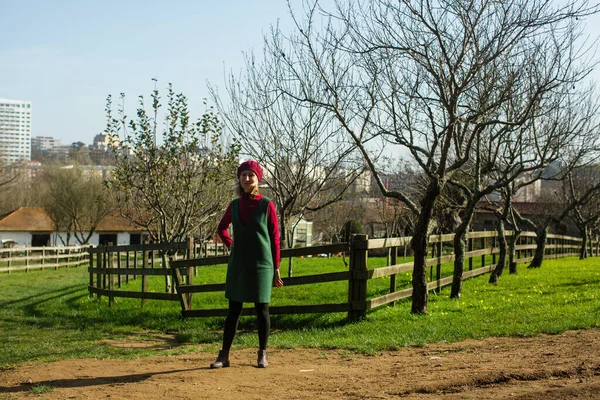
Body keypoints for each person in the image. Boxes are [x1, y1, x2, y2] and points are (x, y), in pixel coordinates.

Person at [211, 160, 283, 369]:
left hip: (262, 263)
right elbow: (222, 228)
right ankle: (224, 355)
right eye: (243, 175)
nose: (247, 178)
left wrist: (276, 267)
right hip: (239, 264)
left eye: (251, 175)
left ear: (257, 179)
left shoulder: (266, 204)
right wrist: (230, 244)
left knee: (262, 308)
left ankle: (262, 354)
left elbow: (275, 237)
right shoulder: (234, 205)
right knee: (234, 309)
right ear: (239, 178)